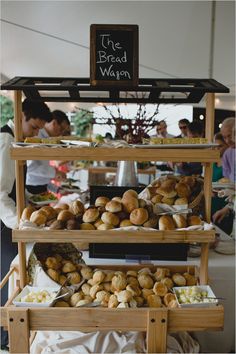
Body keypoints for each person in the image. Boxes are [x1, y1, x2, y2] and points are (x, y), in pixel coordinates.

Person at [0, 98, 52, 349]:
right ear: (21, 116)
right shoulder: (6, 141)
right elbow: (0, 193)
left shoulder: (16, 140)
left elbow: (15, 188)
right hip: (3, 224)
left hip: (11, 222)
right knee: (8, 276)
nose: (34, 133)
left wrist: (34, 203)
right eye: (32, 127)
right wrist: (21, 223)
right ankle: (7, 338)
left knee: (15, 274)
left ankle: (11, 335)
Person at [26, 110, 70, 194]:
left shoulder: (47, 138)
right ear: (54, 123)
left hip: (42, 187)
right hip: (31, 188)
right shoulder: (36, 136)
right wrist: (55, 172)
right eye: (61, 129)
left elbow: (42, 172)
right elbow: (30, 167)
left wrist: (57, 189)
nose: (61, 134)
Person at [220, 117, 235, 182]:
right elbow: (227, 178)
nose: (227, 141)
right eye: (224, 137)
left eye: (230, 136)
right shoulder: (227, 153)